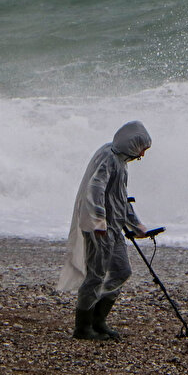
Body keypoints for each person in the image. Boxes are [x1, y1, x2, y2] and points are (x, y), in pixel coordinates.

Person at [57, 120, 151, 341]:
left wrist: (136, 226)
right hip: (98, 228)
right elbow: (95, 190)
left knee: (121, 271)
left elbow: (120, 198)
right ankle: (83, 327)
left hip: (114, 228)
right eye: (142, 149)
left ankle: (99, 321)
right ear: (132, 143)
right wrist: (98, 220)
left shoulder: (120, 162)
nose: (142, 155)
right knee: (96, 274)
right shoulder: (108, 158)